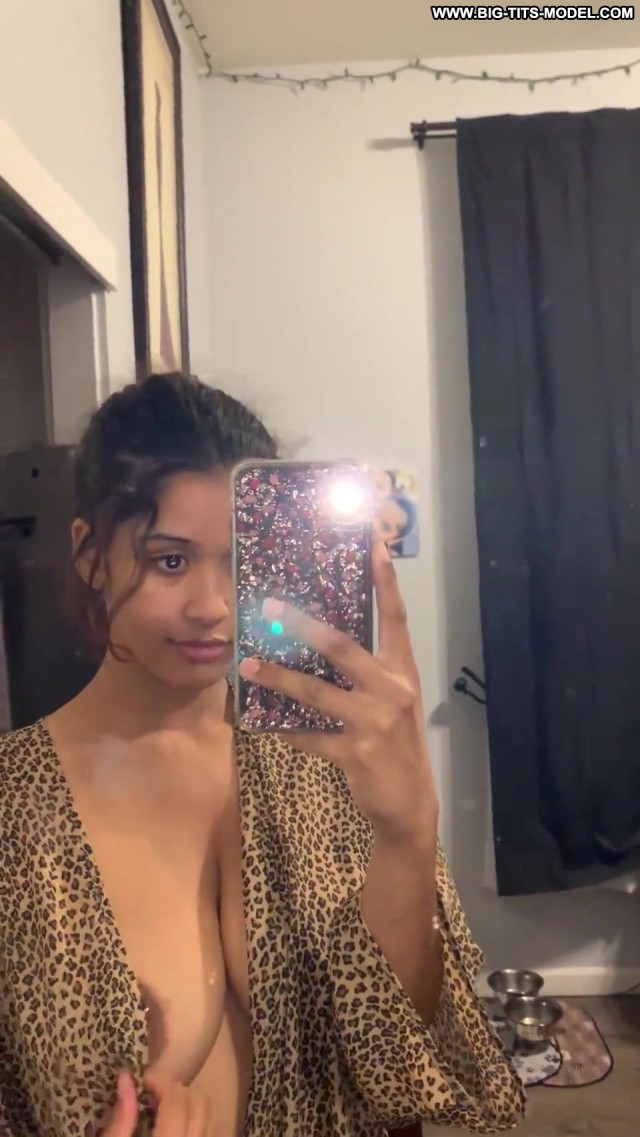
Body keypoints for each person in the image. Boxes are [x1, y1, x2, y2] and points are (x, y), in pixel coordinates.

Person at [0, 373, 526, 1137]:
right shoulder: (13, 810)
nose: (213, 606)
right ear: (91, 556)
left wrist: (409, 829)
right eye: (170, 560)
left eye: (242, 562)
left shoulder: (324, 755)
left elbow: (401, 1058)